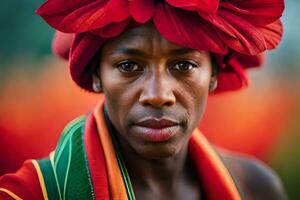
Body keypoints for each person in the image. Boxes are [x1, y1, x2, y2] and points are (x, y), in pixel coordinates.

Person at [0, 0, 287, 199]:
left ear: (214, 73)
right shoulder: (33, 193)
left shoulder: (256, 188)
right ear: (96, 75)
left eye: (184, 65)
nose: (158, 95)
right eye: (128, 66)